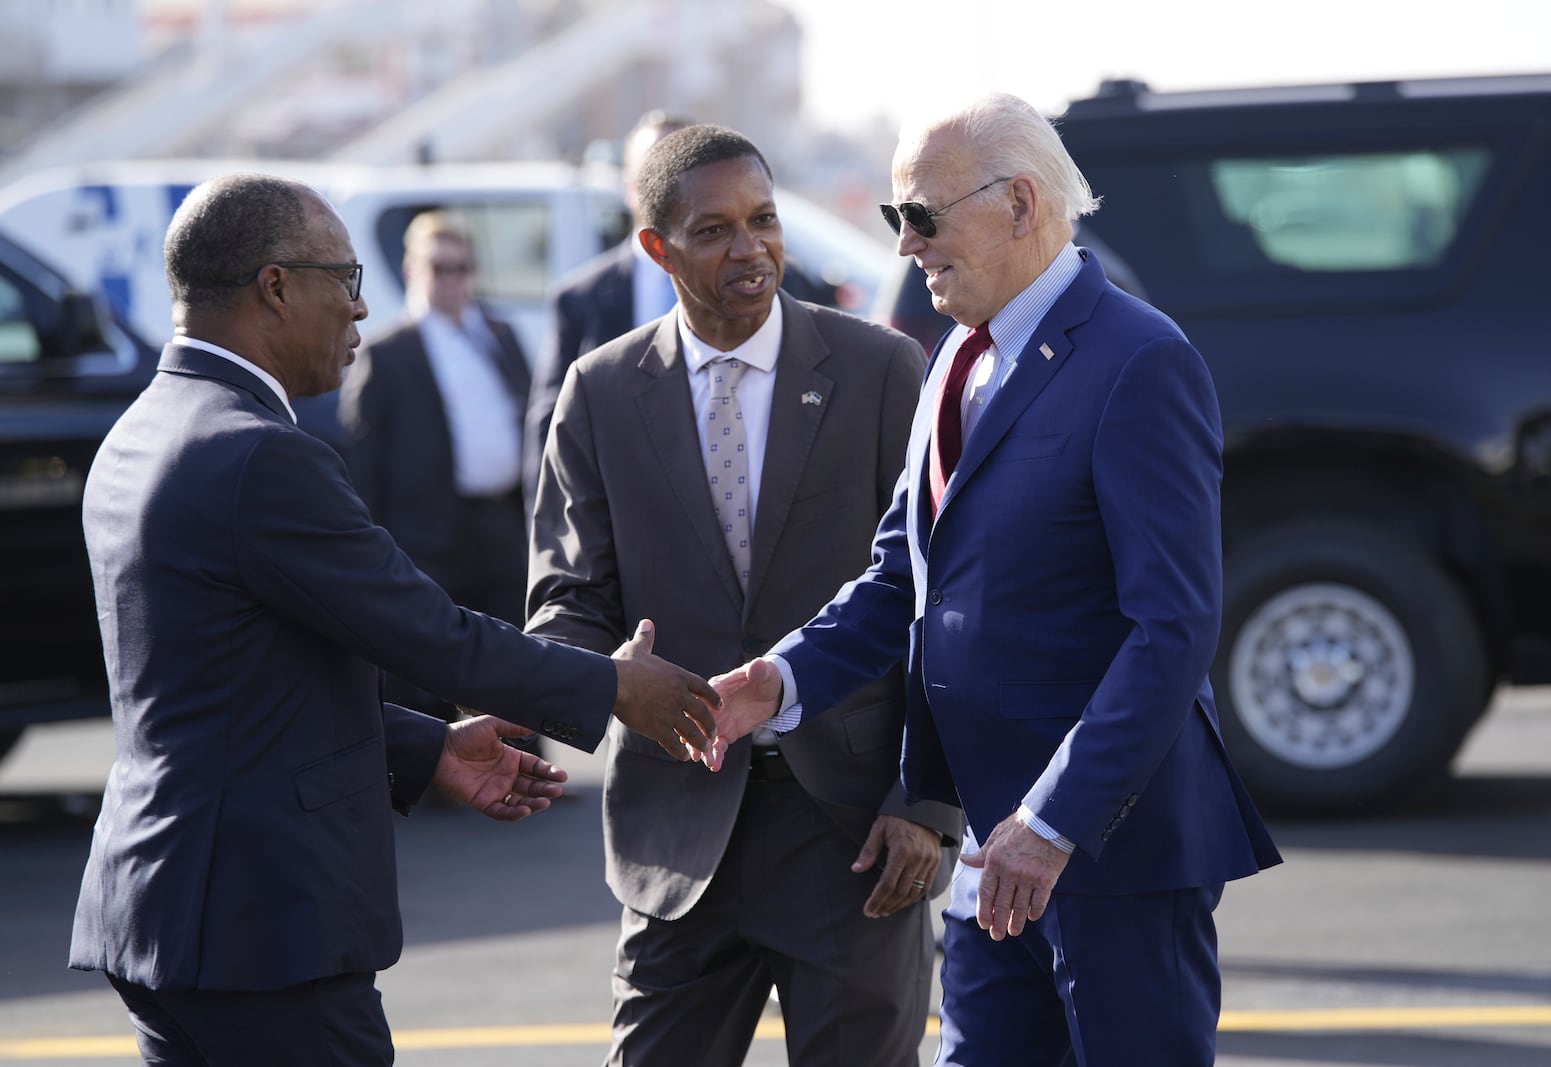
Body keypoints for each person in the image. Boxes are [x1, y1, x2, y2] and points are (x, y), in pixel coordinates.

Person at [69, 173, 720, 1067]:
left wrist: (427, 749)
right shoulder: (258, 454)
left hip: (166, 909)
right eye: (345, 278)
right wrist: (613, 686)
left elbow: (234, 686)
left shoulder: (142, 430)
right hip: (261, 927)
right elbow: (432, 633)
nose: (362, 307)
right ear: (275, 287)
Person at [705, 95, 1283, 1066]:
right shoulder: (953, 359)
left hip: (1106, 847)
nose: (904, 247)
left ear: (1020, 203)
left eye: (921, 217)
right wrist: (778, 678)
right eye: (896, 219)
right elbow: (900, 576)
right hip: (984, 848)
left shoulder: (1140, 361)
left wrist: (1053, 819)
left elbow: (1169, 629)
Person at [526, 125, 963, 1067]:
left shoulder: (881, 371)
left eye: (763, 220)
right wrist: (602, 675)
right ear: (657, 247)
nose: (752, 248)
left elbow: (943, 600)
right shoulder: (599, 391)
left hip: (853, 837)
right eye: (715, 229)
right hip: (676, 839)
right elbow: (566, 593)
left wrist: (925, 804)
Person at [340, 212, 531, 721]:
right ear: (411, 271)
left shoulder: (500, 335)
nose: (451, 279)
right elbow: (363, 461)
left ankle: (522, 757)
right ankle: (433, 771)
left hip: (500, 526)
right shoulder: (386, 352)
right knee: (427, 654)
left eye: (462, 267)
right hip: (424, 534)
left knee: (511, 644)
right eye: (439, 267)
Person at [525, 110, 692, 455]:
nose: (667, 185)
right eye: (653, 170)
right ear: (628, 187)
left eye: (680, 169)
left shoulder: (750, 286)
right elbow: (552, 425)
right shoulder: (578, 300)